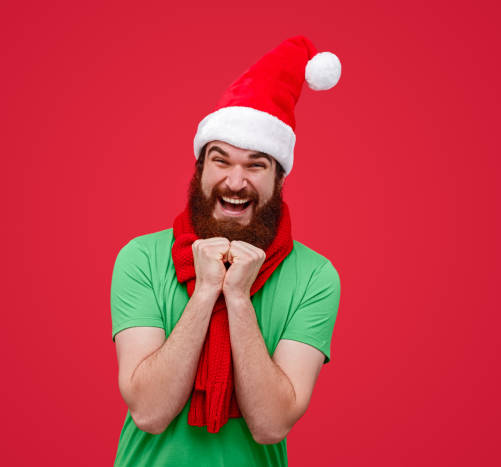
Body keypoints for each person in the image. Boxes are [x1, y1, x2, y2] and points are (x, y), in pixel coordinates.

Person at [110, 36, 342, 466]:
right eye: (221, 161)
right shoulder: (140, 259)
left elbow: (271, 424)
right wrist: (205, 293)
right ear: (200, 170)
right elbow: (149, 411)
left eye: (256, 164)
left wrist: (237, 298)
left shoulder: (314, 276)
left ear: (279, 180)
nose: (236, 182)